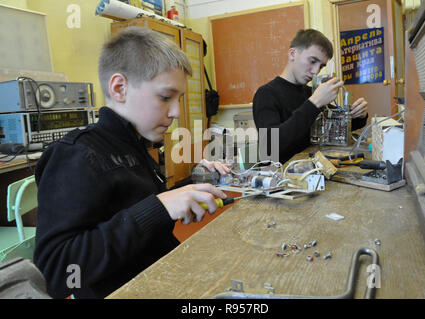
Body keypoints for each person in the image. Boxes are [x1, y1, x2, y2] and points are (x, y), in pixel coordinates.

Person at [33, 27, 231, 299]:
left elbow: (136, 217)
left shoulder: (135, 145)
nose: (174, 112)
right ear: (119, 88)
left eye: (178, 100)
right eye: (165, 97)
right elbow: (57, 273)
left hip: (164, 279)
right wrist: (158, 208)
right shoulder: (76, 155)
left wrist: (186, 194)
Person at [253, 29, 368, 164]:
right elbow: (270, 147)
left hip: (311, 169)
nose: (316, 71)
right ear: (292, 54)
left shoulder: (309, 92)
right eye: (313, 61)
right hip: (282, 176)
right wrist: (314, 103)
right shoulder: (266, 94)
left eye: (321, 66)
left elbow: (337, 129)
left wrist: (358, 116)